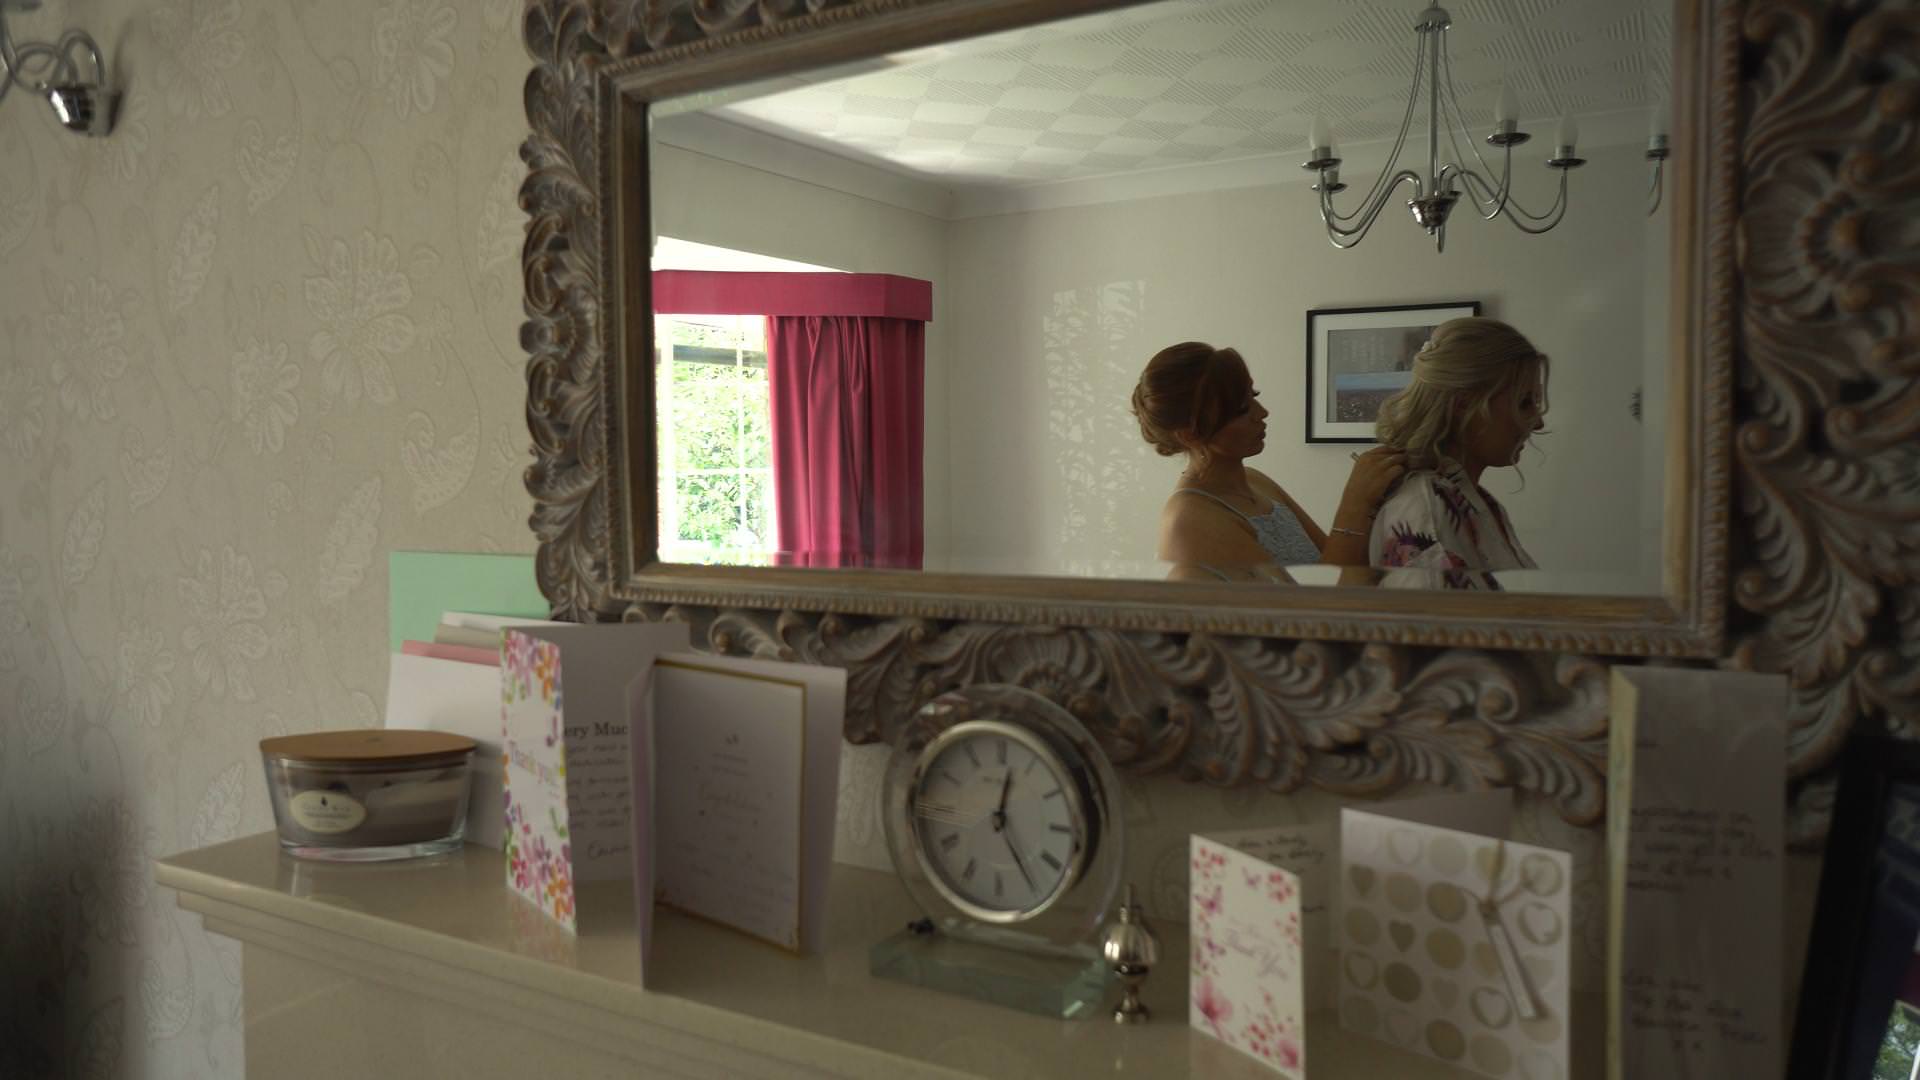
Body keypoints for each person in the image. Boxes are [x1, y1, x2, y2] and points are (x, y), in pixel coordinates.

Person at [1130, 341, 1405, 583]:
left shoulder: (1256, 480)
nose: (1263, 413)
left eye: (1255, 397)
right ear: (1190, 433)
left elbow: (1332, 564)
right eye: (1242, 409)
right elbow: (1310, 609)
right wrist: (1356, 500)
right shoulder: (1188, 519)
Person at [1368, 317, 1549, 589]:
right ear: (1464, 404)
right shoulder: (1424, 512)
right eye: (1524, 403)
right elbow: (1430, 628)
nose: (1538, 422)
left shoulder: (1479, 503)